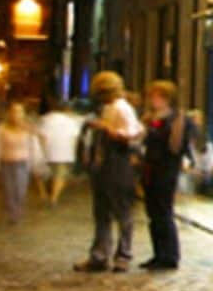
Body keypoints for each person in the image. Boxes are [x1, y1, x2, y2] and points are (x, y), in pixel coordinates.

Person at [74, 71, 141, 273]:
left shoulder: (122, 108)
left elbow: (132, 134)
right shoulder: (108, 108)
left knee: (122, 211)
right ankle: (100, 255)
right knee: (102, 211)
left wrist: (104, 128)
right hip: (103, 165)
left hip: (118, 163)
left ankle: (123, 255)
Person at [138, 81, 186, 270]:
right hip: (150, 168)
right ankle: (157, 253)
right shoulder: (149, 118)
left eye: (158, 96)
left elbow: (176, 145)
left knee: (164, 212)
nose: (154, 100)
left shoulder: (176, 119)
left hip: (166, 170)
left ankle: (170, 255)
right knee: (153, 213)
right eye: (152, 96)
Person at [0, 102, 41, 225]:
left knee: (20, 190)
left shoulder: (28, 129)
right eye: (14, 111)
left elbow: (35, 147)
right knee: (8, 190)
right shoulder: (2, 128)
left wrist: (35, 162)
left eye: (19, 111)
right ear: (9, 113)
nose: (16, 114)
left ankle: (18, 211)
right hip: (6, 162)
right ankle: (12, 214)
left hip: (22, 163)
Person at [34, 97, 84, 208]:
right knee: (60, 175)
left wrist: (40, 151)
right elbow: (75, 139)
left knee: (41, 175)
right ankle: (54, 197)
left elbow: (39, 135)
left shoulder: (44, 119)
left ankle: (43, 195)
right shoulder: (71, 122)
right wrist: (74, 153)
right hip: (64, 152)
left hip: (46, 151)